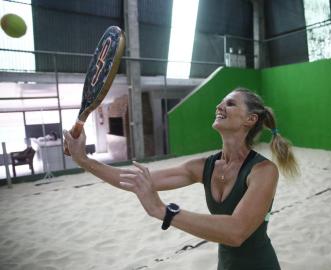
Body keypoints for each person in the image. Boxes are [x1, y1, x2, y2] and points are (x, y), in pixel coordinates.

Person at [63, 87, 299, 270]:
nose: (219, 106)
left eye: (230, 103)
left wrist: (163, 211)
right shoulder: (203, 167)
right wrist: (84, 160)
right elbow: (135, 179)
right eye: (220, 102)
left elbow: (236, 232)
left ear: (251, 120)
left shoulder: (263, 171)